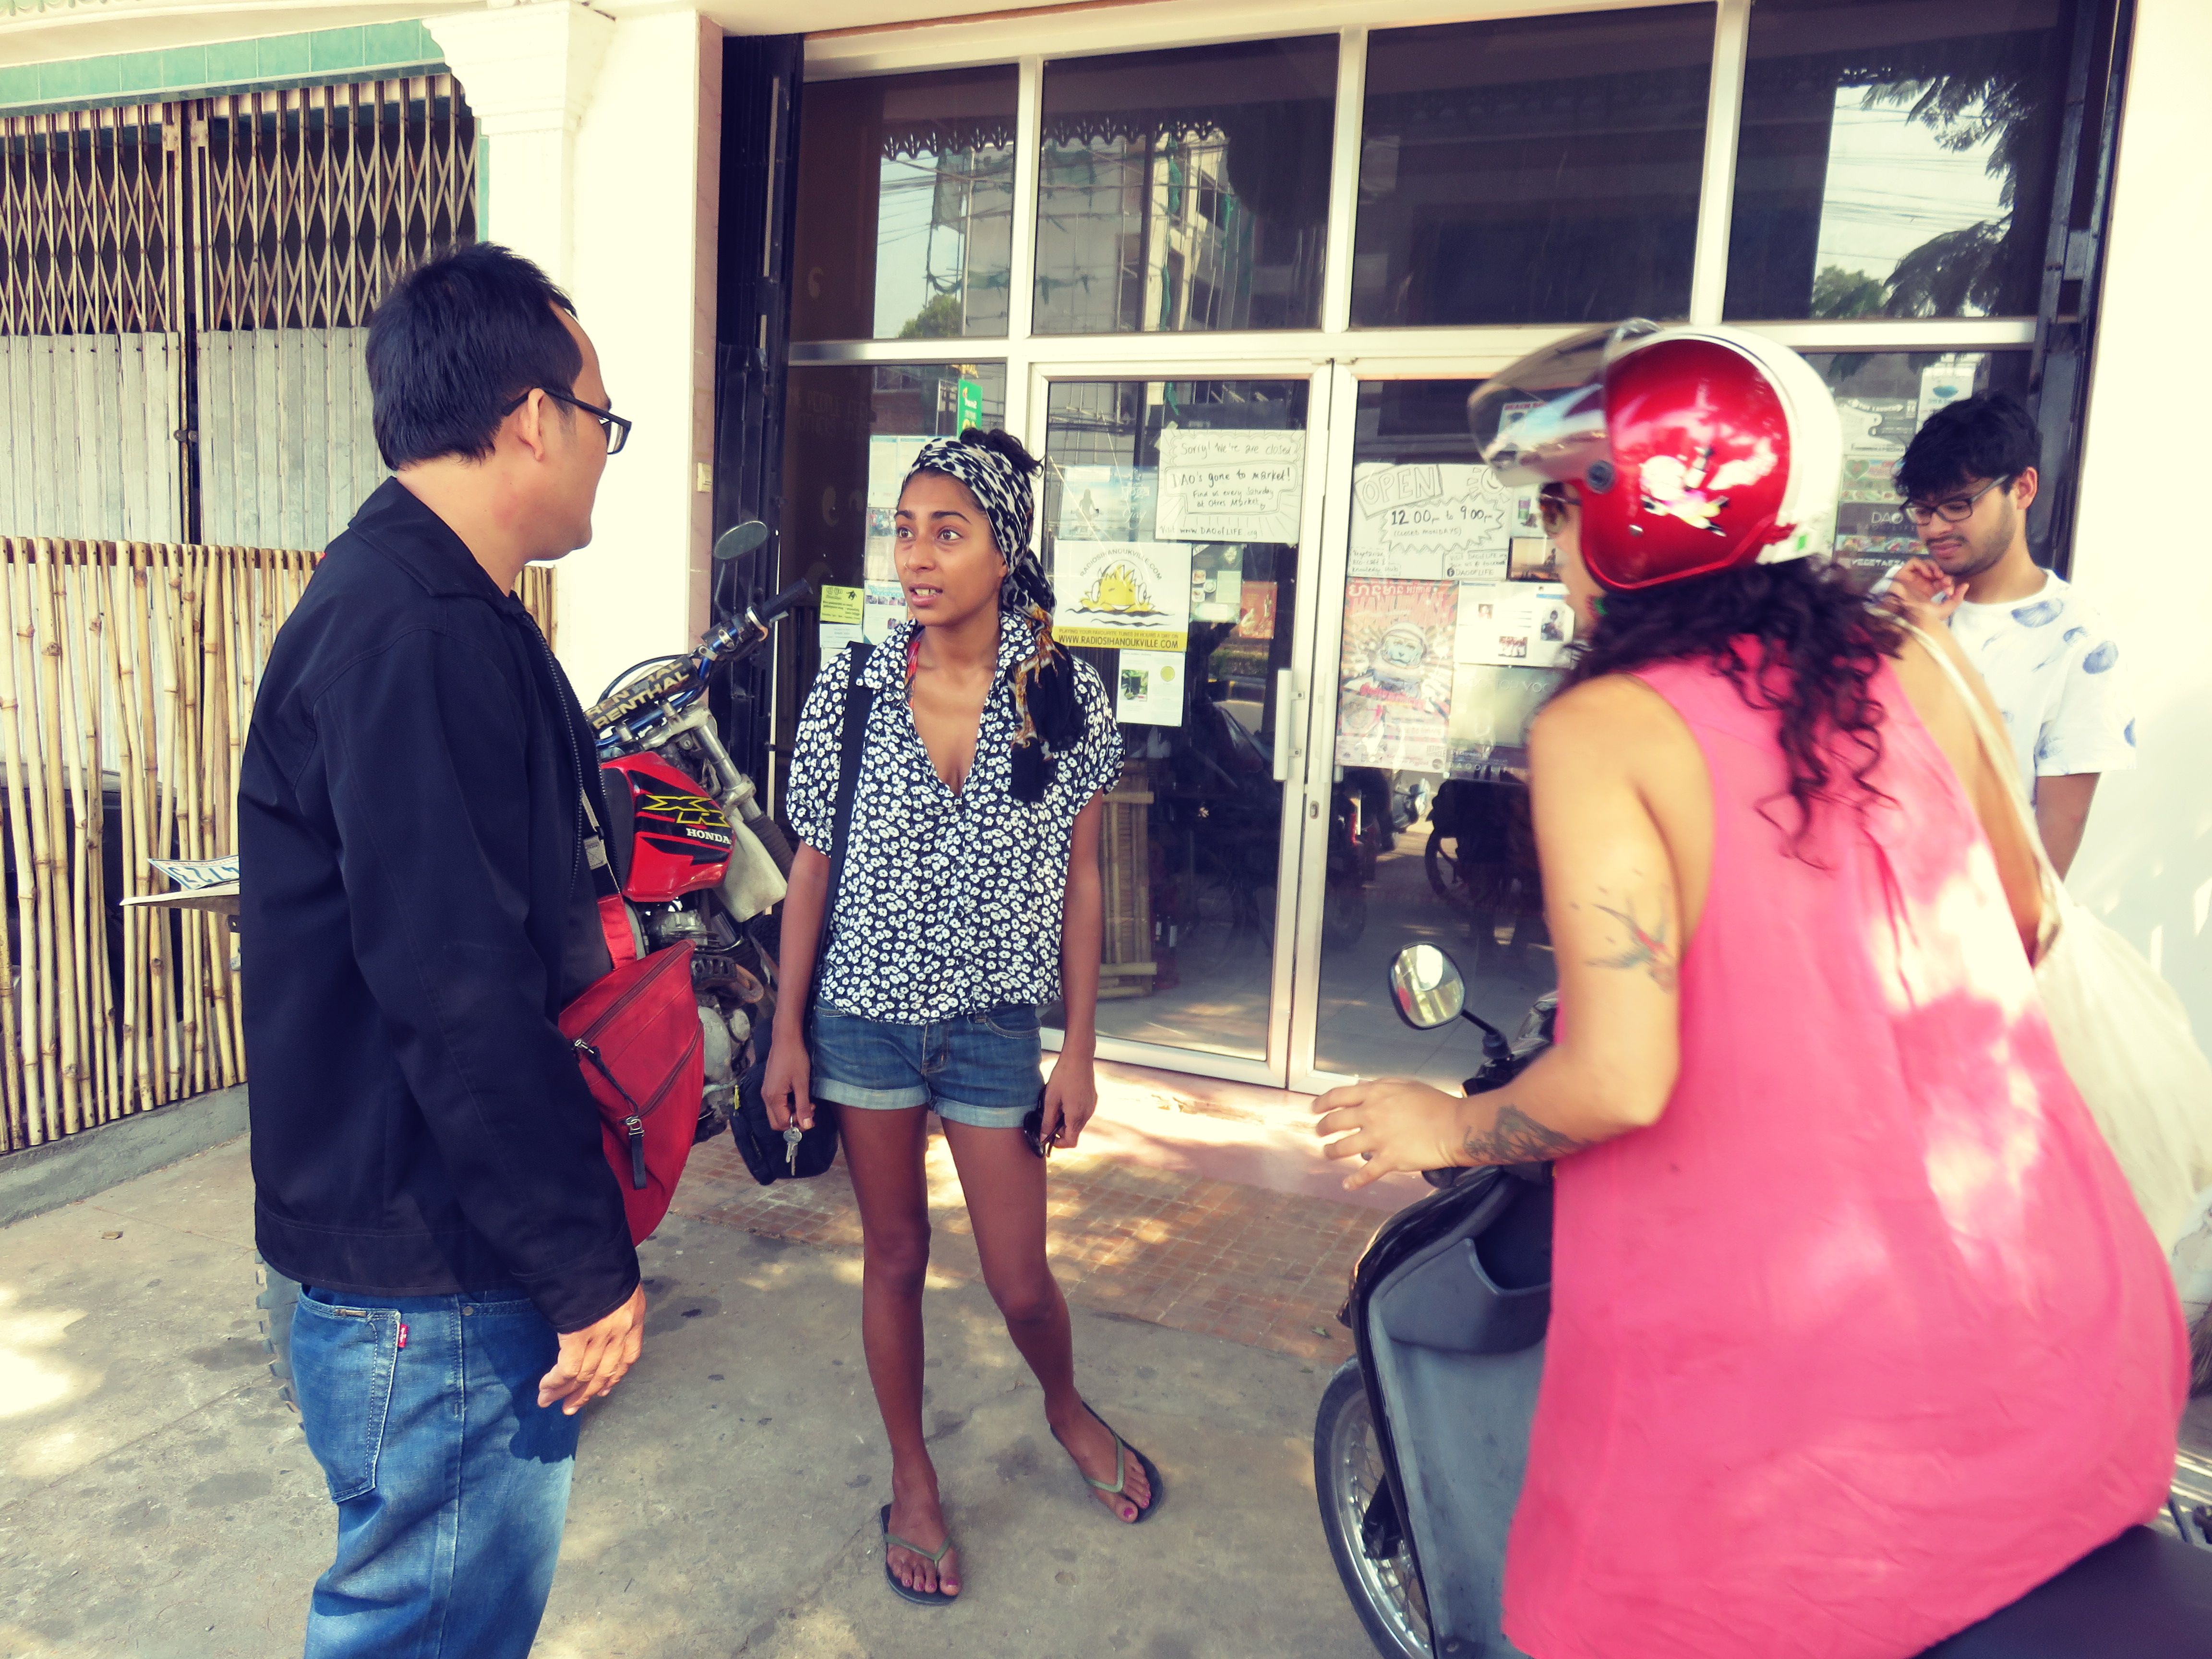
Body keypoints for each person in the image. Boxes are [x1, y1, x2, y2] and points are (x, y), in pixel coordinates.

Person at [1317, 323, 2183, 1658]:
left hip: (1792, 1409)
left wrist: (1448, 1123)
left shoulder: (1602, 726)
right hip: (2056, 1327)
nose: (1551, 551)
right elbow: (2022, 922)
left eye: (1557, 511)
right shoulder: (1914, 655)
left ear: (1626, 515)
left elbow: (1618, 1078)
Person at [239, 242, 646, 1658]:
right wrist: (582, 1265)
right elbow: (459, 989)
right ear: (533, 418)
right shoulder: (411, 632)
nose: (602, 451)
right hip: (432, 1271)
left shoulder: (433, 602)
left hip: (409, 1247)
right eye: (600, 418)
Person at [760, 428, 1159, 1606]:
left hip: (993, 1027)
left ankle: (1065, 1406)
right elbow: (810, 870)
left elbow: (1082, 881)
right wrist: (787, 1032)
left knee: (1021, 1277)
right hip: (863, 1019)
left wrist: (1078, 1049)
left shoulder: (1065, 696)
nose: (917, 557)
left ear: (1004, 551)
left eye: (948, 532)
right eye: (904, 531)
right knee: (894, 1256)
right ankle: (913, 1476)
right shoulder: (851, 685)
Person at [1886, 393, 2133, 875]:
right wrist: (1893, 626)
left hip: (1975, 905)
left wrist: (2024, 923)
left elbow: (2061, 822)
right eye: (1922, 510)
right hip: (1863, 895)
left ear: (2022, 489)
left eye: (1956, 505)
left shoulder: (2081, 639)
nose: (1935, 529)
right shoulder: (1898, 600)